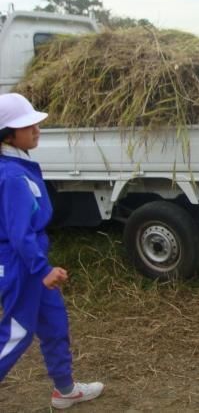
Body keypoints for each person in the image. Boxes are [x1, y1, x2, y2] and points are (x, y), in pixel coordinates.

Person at [0, 93, 104, 410]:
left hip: (31, 263)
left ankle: (65, 389)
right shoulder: (14, 176)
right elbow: (19, 234)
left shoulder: (19, 165)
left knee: (54, 324)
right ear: (7, 135)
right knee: (17, 334)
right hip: (22, 266)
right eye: (27, 125)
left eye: (34, 123)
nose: (36, 129)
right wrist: (42, 270)